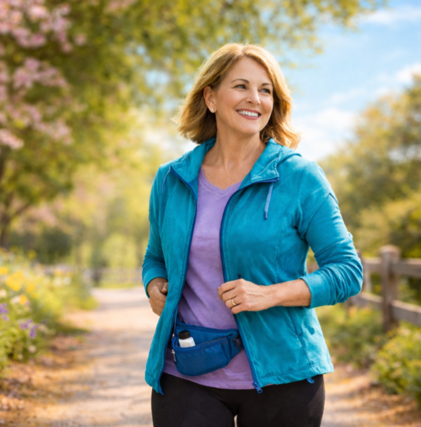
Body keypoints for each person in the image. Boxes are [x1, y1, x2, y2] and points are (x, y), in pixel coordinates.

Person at [142, 43, 363, 427]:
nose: (255, 99)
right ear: (210, 97)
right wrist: (154, 284)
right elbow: (155, 256)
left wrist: (271, 294)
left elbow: (347, 271)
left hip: (285, 374)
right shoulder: (171, 179)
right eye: (241, 86)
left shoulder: (299, 177)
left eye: (265, 90)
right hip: (187, 373)